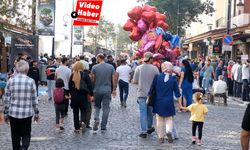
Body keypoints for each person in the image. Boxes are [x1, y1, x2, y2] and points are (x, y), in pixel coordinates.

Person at [4, 60, 39, 150]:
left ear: (17, 69)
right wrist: (36, 113)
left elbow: (6, 99)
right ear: (27, 70)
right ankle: (24, 148)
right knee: (26, 134)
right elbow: (34, 99)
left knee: (15, 135)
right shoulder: (31, 81)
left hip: (13, 113)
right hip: (27, 113)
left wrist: (5, 114)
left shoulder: (10, 81)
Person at [149, 61, 181, 143]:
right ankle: (169, 131)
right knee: (169, 119)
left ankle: (160, 137)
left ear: (163, 68)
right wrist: (180, 105)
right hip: (169, 102)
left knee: (159, 120)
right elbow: (177, 94)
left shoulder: (157, 77)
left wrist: (149, 98)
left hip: (158, 101)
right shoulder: (173, 79)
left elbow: (151, 90)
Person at [133, 52, 159, 138]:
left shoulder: (139, 68)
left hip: (141, 93)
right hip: (151, 94)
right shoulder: (155, 69)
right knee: (150, 112)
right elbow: (158, 81)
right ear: (151, 59)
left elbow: (134, 81)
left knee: (142, 112)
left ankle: (143, 131)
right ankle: (149, 127)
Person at [91, 54, 117, 132]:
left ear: (98, 58)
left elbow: (92, 79)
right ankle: (103, 126)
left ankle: (96, 119)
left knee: (97, 106)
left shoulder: (94, 67)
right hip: (107, 90)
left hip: (97, 90)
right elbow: (114, 78)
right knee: (106, 108)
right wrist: (114, 89)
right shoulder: (111, 67)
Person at [69, 62, 93, 132]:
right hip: (83, 96)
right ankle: (83, 122)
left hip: (74, 96)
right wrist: (91, 94)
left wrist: (71, 94)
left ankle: (76, 128)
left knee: (75, 112)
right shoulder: (85, 75)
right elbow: (89, 86)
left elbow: (70, 86)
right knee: (83, 111)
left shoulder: (72, 75)